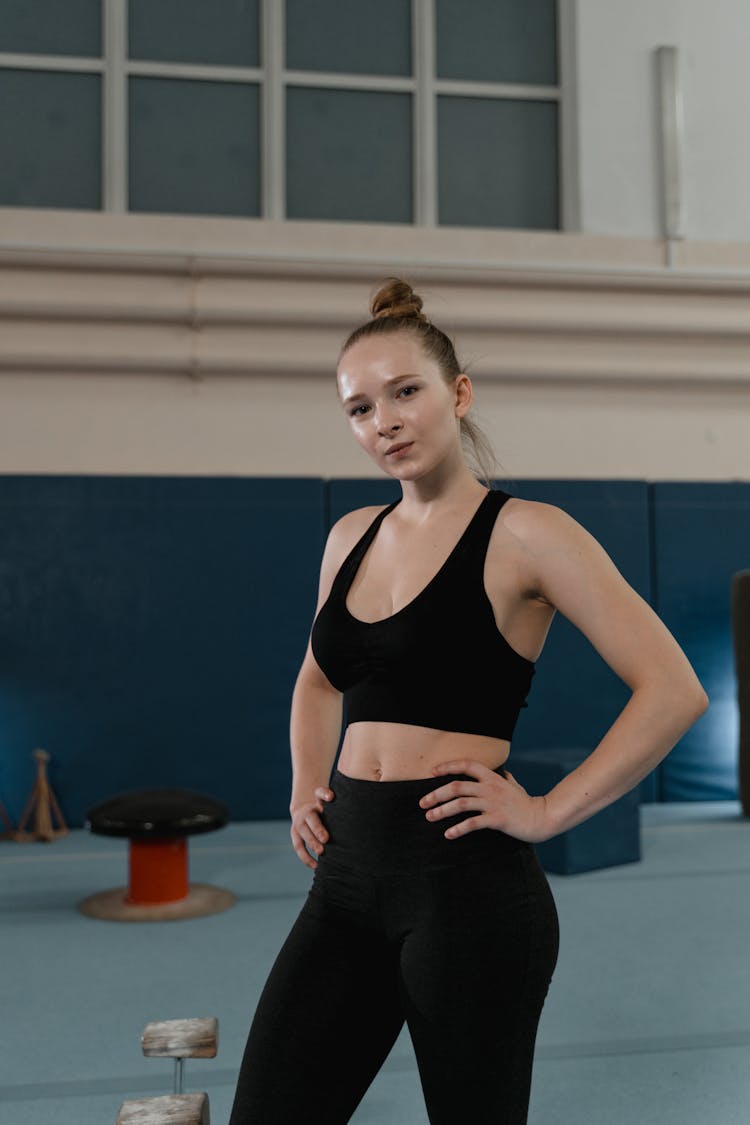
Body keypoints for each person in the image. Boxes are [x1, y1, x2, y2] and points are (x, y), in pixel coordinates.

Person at [229, 278, 708, 1125]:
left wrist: (550, 810)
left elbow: (673, 689)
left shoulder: (530, 533)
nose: (385, 421)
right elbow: (316, 678)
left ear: (458, 393)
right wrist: (307, 784)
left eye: (406, 391)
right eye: (360, 407)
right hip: (345, 879)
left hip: (465, 889)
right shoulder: (349, 537)